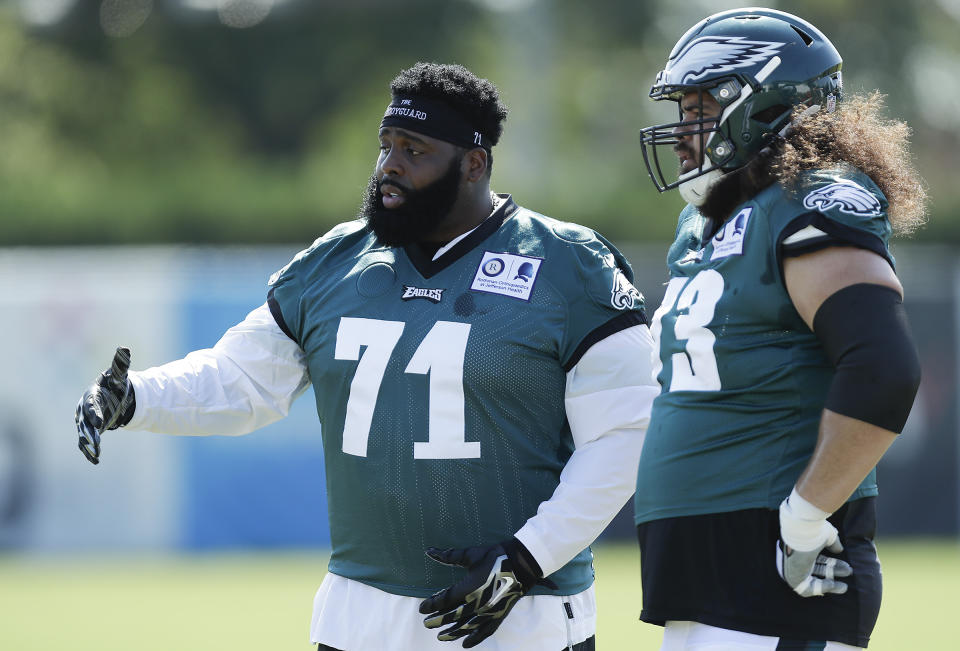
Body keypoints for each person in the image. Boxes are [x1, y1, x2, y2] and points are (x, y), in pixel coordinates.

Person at [74, 62, 660, 651]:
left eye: (415, 150)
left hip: (516, 617)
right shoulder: (337, 260)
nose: (390, 167)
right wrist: (136, 398)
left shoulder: (567, 264)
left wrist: (528, 559)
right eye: (386, 146)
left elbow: (626, 433)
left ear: (474, 163)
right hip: (359, 616)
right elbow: (241, 378)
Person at [635, 7, 926, 650]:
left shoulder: (812, 197)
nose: (683, 130)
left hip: (776, 565)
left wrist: (805, 516)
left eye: (699, 108)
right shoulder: (714, 221)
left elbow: (883, 368)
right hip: (699, 565)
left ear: (763, 105)